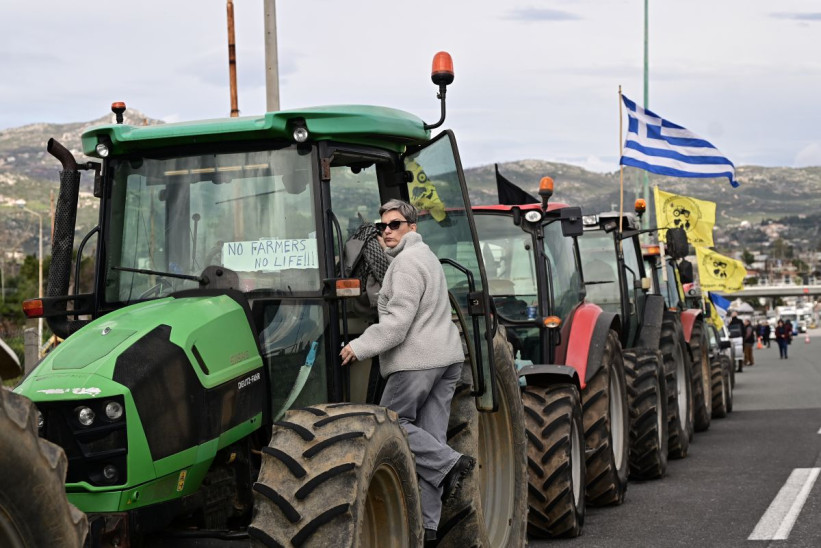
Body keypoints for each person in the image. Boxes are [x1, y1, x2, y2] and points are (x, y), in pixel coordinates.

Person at [339, 199, 473, 543]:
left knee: (393, 426)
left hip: (417, 363)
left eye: (395, 224)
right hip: (446, 361)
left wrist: (359, 346)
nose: (386, 231)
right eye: (382, 225)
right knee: (427, 443)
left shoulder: (406, 266)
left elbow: (397, 325)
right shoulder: (427, 258)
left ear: (412, 228)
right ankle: (428, 530)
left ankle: (451, 463)